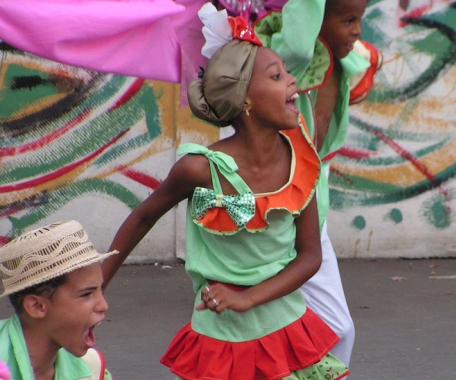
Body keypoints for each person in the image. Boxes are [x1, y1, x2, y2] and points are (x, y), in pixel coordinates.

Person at [101, 12, 349, 380]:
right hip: (221, 337)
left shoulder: (302, 162)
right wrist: (96, 285)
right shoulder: (200, 170)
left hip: (286, 327)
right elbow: (143, 217)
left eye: (285, 71)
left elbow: (310, 256)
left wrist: (248, 297)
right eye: (277, 75)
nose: (293, 79)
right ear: (245, 100)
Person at [236, 0, 380, 366]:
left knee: (328, 330)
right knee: (325, 329)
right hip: (274, 213)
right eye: (348, 19)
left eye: (360, 19)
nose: (357, 29)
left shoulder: (341, 63)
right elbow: (299, 43)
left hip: (309, 209)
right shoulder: (292, 64)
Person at [0, 220, 114, 380]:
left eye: (100, 290)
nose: (103, 305)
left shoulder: (92, 368)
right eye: (86, 294)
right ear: (37, 306)